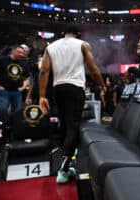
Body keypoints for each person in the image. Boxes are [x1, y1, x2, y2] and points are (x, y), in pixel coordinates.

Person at [38, 26, 106, 184]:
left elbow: (43, 71)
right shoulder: (82, 44)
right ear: (77, 34)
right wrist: (102, 85)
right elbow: (93, 69)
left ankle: (65, 167)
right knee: (73, 127)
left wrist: (42, 95)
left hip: (58, 88)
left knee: (63, 125)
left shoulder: (51, 46)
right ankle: (63, 169)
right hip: (74, 88)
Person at [0, 45, 30, 113]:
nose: (21, 54)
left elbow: (27, 78)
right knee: (2, 112)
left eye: (22, 53)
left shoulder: (24, 63)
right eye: (19, 52)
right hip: (4, 90)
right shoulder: (2, 60)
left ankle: (14, 124)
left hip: (17, 91)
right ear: (13, 51)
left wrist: (23, 87)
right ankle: (1, 124)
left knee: (16, 113)